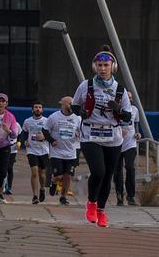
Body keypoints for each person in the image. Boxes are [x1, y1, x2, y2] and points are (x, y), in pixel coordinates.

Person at [72, 45, 133, 228]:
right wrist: (80, 111)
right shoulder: (86, 85)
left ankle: (101, 210)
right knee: (98, 171)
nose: (102, 68)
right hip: (91, 133)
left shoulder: (120, 90)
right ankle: (91, 203)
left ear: (112, 67)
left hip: (112, 135)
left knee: (108, 176)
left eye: (106, 65)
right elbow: (74, 106)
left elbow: (128, 116)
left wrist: (119, 111)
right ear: (94, 67)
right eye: (99, 65)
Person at [46, 96, 81, 206]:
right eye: (70, 104)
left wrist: (78, 134)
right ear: (63, 104)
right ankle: (53, 181)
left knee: (68, 176)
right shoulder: (54, 117)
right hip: (57, 151)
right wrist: (51, 141)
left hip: (71, 151)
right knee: (59, 175)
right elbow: (45, 130)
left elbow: (83, 132)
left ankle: (63, 197)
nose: (71, 106)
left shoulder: (77, 118)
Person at [23, 102, 50, 205]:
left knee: (42, 173)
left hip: (43, 149)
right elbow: (24, 132)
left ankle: (42, 188)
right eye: (36, 107)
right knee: (34, 172)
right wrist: (24, 140)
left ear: (42, 110)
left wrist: (44, 137)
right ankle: (35, 196)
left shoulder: (47, 121)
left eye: (39, 107)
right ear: (32, 109)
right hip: (31, 149)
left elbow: (50, 134)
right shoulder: (27, 121)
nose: (38, 109)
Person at [114, 104, 140, 206]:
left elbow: (136, 123)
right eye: (127, 97)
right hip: (116, 143)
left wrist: (137, 132)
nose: (129, 99)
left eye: (131, 97)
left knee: (130, 167)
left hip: (130, 143)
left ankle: (131, 196)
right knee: (117, 170)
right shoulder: (115, 109)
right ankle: (119, 195)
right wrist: (119, 131)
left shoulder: (134, 109)